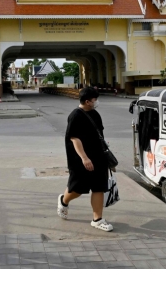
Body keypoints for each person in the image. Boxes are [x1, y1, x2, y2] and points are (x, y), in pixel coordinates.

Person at [57, 87, 113, 231]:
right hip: (80, 159)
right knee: (78, 189)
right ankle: (64, 200)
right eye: (95, 100)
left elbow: (99, 134)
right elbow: (75, 138)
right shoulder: (75, 115)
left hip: (99, 157)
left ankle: (97, 219)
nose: (97, 102)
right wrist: (84, 158)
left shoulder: (95, 114)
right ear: (87, 101)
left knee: (99, 187)